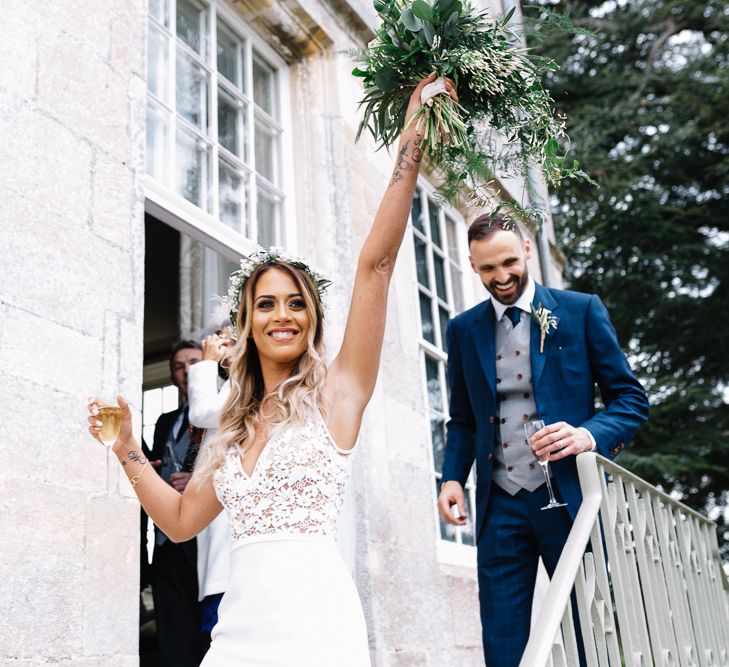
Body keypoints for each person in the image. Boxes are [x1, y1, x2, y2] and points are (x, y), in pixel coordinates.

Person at [88, 73, 449, 666]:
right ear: (247, 323)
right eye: (266, 304)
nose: (283, 315)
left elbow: (376, 266)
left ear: (311, 316)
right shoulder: (230, 428)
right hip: (235, 635)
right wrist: (127, 446)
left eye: (296, 301)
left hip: (316, 629)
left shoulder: (340, 394)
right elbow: (179, 522)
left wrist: (414, 133)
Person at [436, 217, 650, 667]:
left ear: (528, 250)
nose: (501, 276)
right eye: (488, 268)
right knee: (504, 639)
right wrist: (452, 478)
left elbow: (630, 400)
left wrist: (586, 435)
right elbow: (463, 420)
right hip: (501, 504)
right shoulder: (463, 330)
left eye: (510, 261)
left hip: (570, 498)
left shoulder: (581, 310)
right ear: (472, 265)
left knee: (592, 633)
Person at [148, 339, 205, 667]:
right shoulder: (164, 422)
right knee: (172, 630)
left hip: (202, 538)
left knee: (204, 630)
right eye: (179, 366)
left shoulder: (221, 414)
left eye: (194, 363)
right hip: (165, 541)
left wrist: (195, 482)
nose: (186, 372)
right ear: (172, 375)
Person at [187, 324, 236, 649]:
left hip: (231, 564)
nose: (219, 346)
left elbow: (203, 412)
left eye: (228, 339)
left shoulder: (248, 380)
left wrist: (204, 363)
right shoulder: (233, 383)